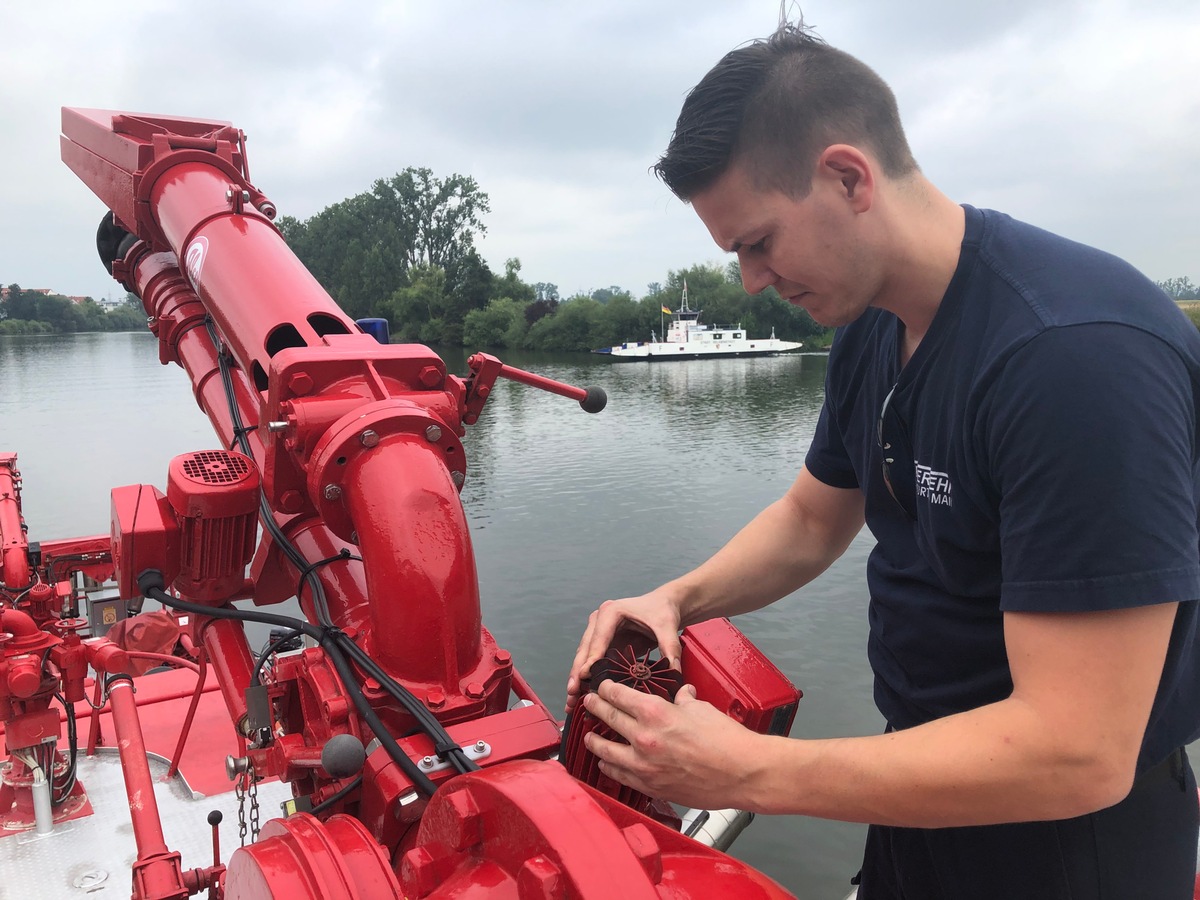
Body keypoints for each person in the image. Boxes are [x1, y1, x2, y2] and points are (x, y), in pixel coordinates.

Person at [565, 22, 1200, 900]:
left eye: (757, 242)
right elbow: (814, 516)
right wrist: (677, 598)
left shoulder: (1074, 359)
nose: (750, 279)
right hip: (920, 796)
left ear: (848, 177)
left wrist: (749, 772)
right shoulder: (871, 327)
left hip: (1067, 847)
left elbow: (1078, 752)